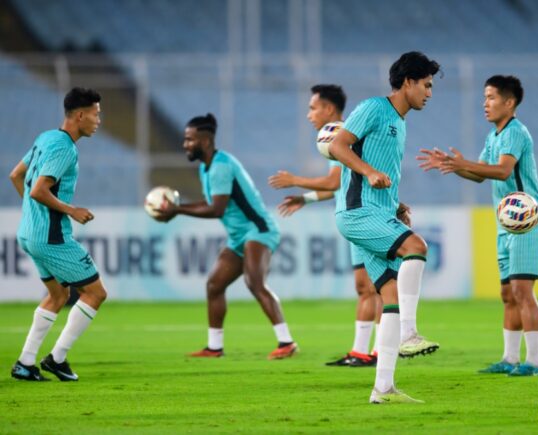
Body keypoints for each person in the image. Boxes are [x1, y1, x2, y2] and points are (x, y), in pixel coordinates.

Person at [328, 51, 441, 404]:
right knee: (417, 247)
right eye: (426, 85)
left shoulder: (399, 122)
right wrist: (368, 172)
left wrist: (396, 204)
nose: (429, 93)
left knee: (390, 296)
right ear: (407, 82)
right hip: (358, 212)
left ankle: (383, 388)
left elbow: (380, 172)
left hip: (378, 210)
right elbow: (337, 145)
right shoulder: (374, 108)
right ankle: (409, 332)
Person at [419, 75, 538, 377]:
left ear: (509, 102)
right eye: (485, 97)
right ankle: (509, 358)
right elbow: (479, 175)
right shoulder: (494, 136)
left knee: (522, 291)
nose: (484, 104)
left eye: (491, 97)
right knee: (508, 294)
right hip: (506, 224)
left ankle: (534, 362)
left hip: (527, 222)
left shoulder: (515, 132)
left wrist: (463, 163)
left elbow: (502, 171)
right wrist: (453, 165)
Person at [157, 113, 298, 360]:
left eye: (190, 139)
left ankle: (286, 342)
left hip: (258, 230)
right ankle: (214, 347)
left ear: (205, 141)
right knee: (214, 285)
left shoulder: (221, 166)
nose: (185, 144)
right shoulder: (206, 167)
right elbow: (211, 203)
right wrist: (178, 208)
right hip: (238, 237)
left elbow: (216, 209)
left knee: (255, 283)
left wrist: (177, 210)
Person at [269, 84, 380, 367]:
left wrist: (295, 180)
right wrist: (305, 199)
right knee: (365, 287)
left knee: (376, 286)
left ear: (329, 109)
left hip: (364, 214)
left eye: (313, 108)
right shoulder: (336, 134)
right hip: (354, 214)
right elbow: (340, 185)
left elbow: (332, 181)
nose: (309, 114)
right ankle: (361, 352)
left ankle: (379, 350)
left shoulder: (340, 134)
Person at [9, 87, 108, 382]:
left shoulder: (46, 137)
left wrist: (33, 215)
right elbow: (39, 190)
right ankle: (57, 358)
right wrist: (71, 210)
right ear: (80, 115)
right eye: (96, 114)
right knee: (96, 293)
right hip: (52, 238)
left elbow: (16, 175)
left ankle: (25, 363)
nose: (99, 120)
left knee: (58, 295)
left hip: (29, 233)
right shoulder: (65, 148)